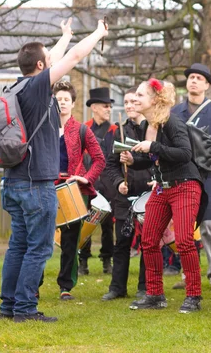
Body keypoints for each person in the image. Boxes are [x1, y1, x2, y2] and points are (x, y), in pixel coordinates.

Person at [0, 18, 108, 323]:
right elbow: (73, 58)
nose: (51, 62)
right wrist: (97, 32)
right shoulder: (37, 87)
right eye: (46, 59)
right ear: (38, 65)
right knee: (39, 248)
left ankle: (8, 307)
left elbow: (56, 57)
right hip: (37, 185)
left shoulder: (18, 86)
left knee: (18, 245)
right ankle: (25, 308)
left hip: (14, 180)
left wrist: (65, 35)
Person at [123, 79, 206, 314]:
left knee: (184, 241)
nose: (135, 99)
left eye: (140, 95)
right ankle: (155, 295)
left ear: (155, 100)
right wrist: (133, 160)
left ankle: (193, 296)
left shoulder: (172, 122)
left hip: (185, 185)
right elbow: (151, 159)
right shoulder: (144, 126)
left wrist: (153, 147)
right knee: (148, 241)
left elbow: (184, 153)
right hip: (162, 188)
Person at [171, 63, 211, 291]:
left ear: (206, 84)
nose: (194, 81)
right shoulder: (175, 112)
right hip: (181, 176)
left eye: (199, 78)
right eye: (191, 77)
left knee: (207, 224)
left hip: (207, 177)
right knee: (185, 226)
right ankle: (189, 274)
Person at [54, 81, 105, 301]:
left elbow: (99, 159)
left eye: (66, 99)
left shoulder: (82, 129)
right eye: (58, 99)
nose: (62, 103)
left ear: (73, 103)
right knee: (38, 239)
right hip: (46, 187)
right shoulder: (42, 128)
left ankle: (66, 286)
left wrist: (85, 177)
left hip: (73, 189)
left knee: (70, 241)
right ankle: (32, 286)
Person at [102, 87, 152, 301]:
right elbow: (110, 166)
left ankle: (145, 286)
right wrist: (117, 183)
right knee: (122, 241)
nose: (130, 105)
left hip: (149, 195)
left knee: (148, 243)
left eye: (134, 101)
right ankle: (117, 287)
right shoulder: (117, 132)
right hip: (125, 195)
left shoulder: (154, 130)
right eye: (127, 102)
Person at [78, 87, 117, 275]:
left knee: (108, 226)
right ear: (94, 107)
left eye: (109, 106)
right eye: (105, 106)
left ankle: (106, 261)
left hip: (109, 185)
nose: (108, 109)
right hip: (88, 184)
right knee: (85, 223)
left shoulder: (115, 130)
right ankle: (82, 261)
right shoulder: (84, 129)